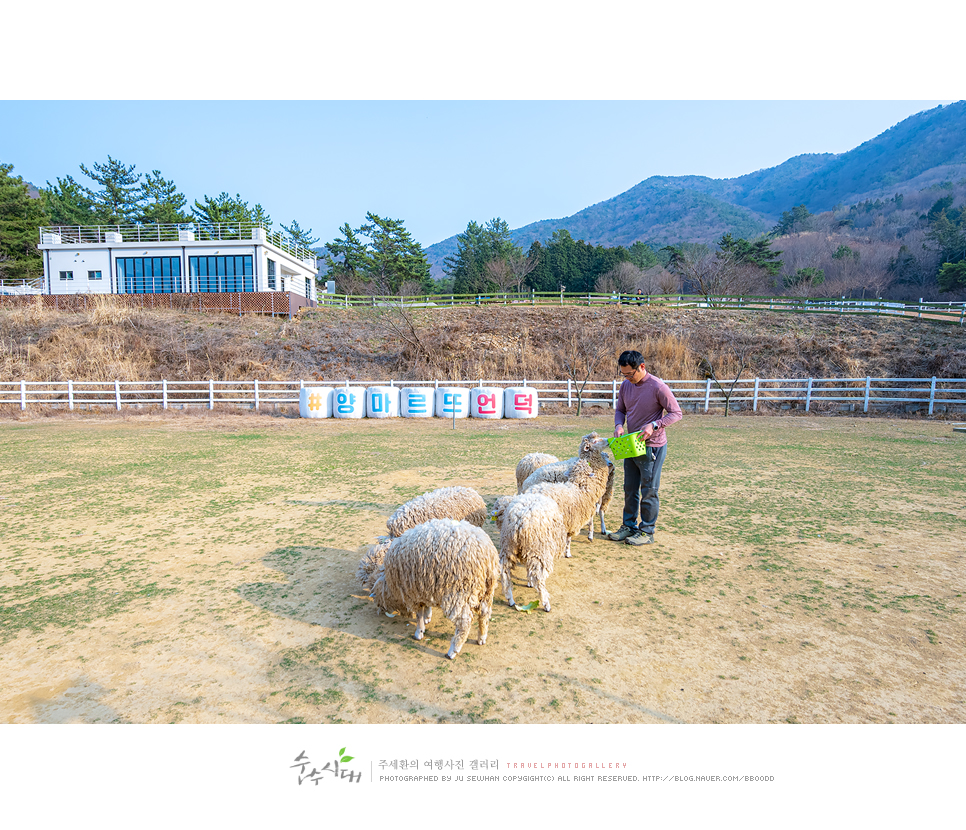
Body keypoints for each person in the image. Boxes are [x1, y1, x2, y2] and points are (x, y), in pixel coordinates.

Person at [607, 350, 683, 545]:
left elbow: (676, 413)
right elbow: (620, 410)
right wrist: (618, 425)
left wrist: (654, 425)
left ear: (642, 367)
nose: (627, 378)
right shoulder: (625, 386)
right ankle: (628, 526)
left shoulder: (658, 387)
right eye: (624, 374)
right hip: (631, 445)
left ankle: (646, 531)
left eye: (630, 374)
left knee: (649, 489)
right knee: (629, 488)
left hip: (652, 447)